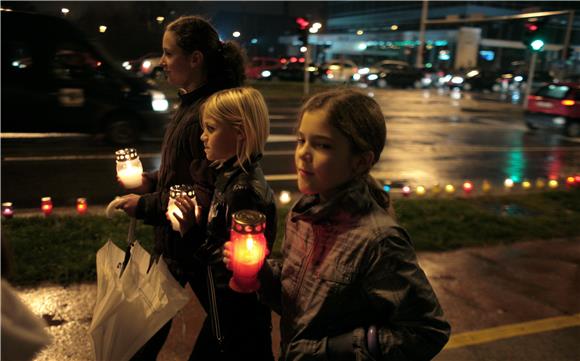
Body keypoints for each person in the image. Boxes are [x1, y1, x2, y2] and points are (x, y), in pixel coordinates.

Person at [225, 89, 451, 360]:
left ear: (361, 161)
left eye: (323, 145)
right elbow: (302, 301)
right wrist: (260, 273)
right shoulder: (303, 213)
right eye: (301, 140)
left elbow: (428, 330)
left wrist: (336, 349)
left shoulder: (378, 240)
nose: (303, 154)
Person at [114, 15, 246, 360]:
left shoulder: (211, 111)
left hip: (193, 247)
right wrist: (148, 182)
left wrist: (144, 206)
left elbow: (204, 191)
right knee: (157, 329)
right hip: (176, 245)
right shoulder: (190, 103)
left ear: (195, 58)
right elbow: (182, 174)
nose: (162, 61)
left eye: (169, 53)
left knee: (224, 326)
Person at [172, 87, 276, 360]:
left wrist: (191, 233)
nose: (203, 137)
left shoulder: (243, 192)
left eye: (211, 128)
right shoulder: (229, 177)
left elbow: (231, 259)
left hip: (235, 309)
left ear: (240, 132)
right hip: (232, 307)